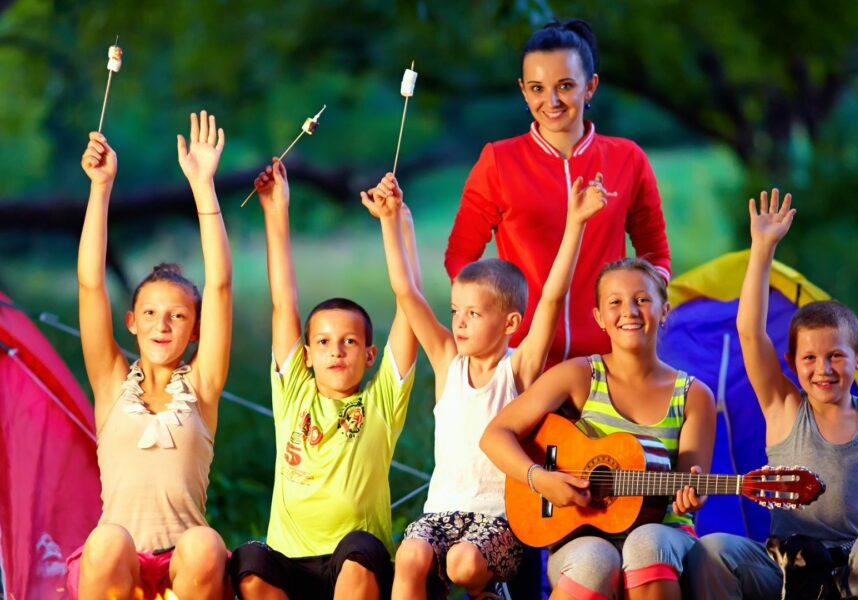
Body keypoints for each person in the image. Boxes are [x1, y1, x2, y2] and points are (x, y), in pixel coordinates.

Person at [363, 171, 605, 599]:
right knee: (410, 556)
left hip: (502, 519)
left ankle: (486, 589)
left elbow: (552, 297)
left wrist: (576, 223)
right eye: (456, 311)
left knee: (463, 563)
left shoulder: (520, 371)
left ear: (510, 323)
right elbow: (406, 292)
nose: (459, 322)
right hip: (441, 512)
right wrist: (388, 221)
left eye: (473, 314)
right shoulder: (447, 362)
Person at [685, 189, 858, 600]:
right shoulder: (783, 407)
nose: (823, 369)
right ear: (792, 361)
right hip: (785, 567)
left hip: (854, 566)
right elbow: (749, 333)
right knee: (710, 551)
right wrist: (762, 248)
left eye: (836, 356)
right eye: (811, 358)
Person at [228, 159, 418, 599]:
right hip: (290, 564)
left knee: (359, 550)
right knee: (250, 561)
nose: (336, 350)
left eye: (350, 342)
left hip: (350, 567)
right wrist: (276, 212)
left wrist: (396, 226)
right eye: (325, 342)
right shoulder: (293, 390)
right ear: (307, 354)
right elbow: (283, 302)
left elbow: (409, 308)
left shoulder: (382, 400)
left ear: (370, 355)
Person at [480, 257, 715, 600]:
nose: (629, 311)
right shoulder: (579, 376)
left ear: (664, 310)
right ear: (599, 317)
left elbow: (688, 490)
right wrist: (539, 478)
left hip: (663, 532)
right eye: (615, 302)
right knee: (594, 559)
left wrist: (689, 500)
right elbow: (495, 435)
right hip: (581, 532)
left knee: (646, 543)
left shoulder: (694, 396)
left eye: (643, 300)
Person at [69, 112, 232, 599]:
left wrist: (203, 185)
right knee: (108, 541)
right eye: (152, 313)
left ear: (195, 328)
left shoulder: (202, 385)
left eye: (178, 316)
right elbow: (90, 283)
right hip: (119, 566)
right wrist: (100, 188)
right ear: (132, 322)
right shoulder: (110, 380)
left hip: (185, 567)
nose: (163, 325)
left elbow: (220, 285)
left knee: (204, 542)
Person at [445, 18, 672, 368]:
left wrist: (637, 312)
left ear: (590, 86)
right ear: (523, 89)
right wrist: (485, 321)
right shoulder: (498, 161)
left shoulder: (628, 159)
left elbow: (655, 252)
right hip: (521, 359)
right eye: (536, 88)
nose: (550, 100)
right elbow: (460, 257)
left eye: (565, 85)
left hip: (608, 359)